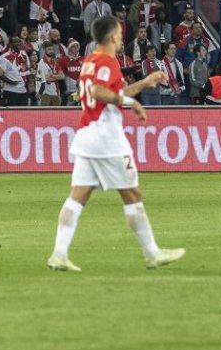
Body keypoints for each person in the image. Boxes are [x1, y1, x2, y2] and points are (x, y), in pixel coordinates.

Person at [47, 15, 185, 272]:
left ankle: (59, 254)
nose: (122, 39)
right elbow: (99, 92)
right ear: (112, 37)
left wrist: (143, 84)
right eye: (120, 35)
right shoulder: (107, 61)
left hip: (87, 135)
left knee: (78, 196)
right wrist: (132, 103)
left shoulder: (90, 61)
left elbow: (114, 93)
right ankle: (152, 253)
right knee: (132, 194)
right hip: (106, 138)